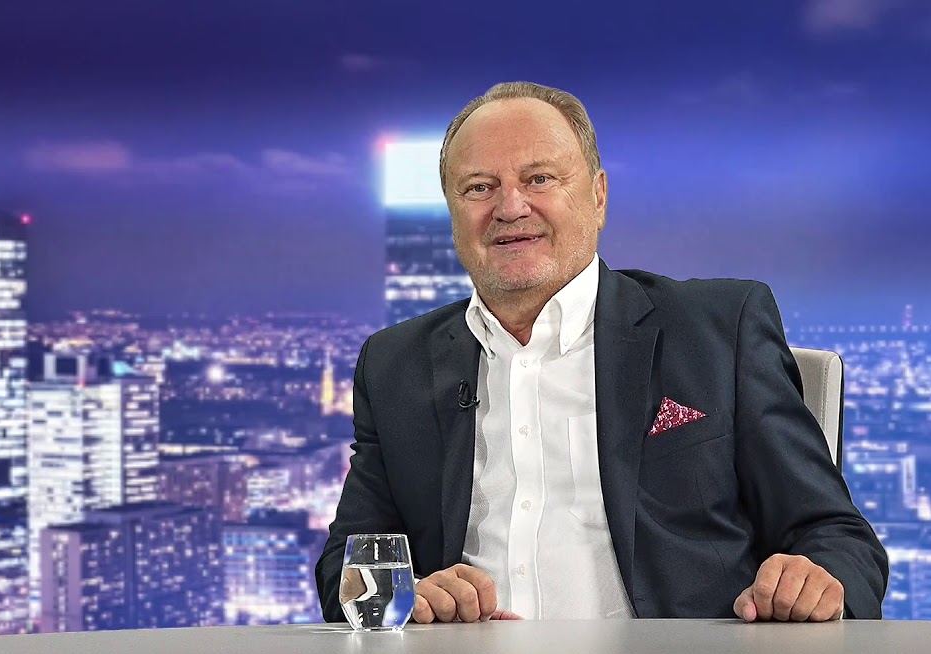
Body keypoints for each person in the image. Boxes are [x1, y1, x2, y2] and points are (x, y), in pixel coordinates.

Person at [316, 81, 888, 624]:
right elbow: (347, 567)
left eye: (540, 179)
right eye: (479, 187)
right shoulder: (393, 364)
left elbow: (837, 539)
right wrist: (409, 594)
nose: (510, 207)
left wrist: (817, 581)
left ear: (597, 196)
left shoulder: (718, 330)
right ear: (452, 213)